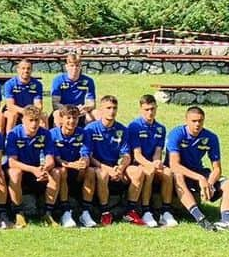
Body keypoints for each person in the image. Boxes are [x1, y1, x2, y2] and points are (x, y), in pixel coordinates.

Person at [166, 105, 229, 232]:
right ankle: (200, 218)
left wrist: (209, 184)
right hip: (180, 173)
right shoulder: (176, 134)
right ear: (186, 120)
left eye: (200, 121)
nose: (197, 124)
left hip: (198, 172)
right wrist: (199, 178)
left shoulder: (210, 137)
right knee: (178, 175)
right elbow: (174, 164)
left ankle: (226, 221)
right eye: (194, 121)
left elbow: (217, 168)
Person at [80, 95, 133, 226]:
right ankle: (105, 212)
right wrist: (107, 169)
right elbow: (89, 155)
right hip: (98, 166)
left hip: (116, 168)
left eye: (114, 108)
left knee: (137, 172)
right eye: (108, 108)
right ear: (101, 110)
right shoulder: (90, 129)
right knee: (102, 174)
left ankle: (132, 211)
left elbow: (126, 154)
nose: (112, 111)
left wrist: (120, 168)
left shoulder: (122, 129)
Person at [124, 94, 176, 228]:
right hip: (135, 164)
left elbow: (158, 151)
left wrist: (157, 162)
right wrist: (151, 165)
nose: (150, 112)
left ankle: (166, 211)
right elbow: (137, 155)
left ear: (156, 108)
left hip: (151, 162)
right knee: (149, 170)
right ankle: (146, 211)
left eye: (152, 109)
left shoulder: (160, 128)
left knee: (168, 173)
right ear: (141, 109)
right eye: (146, 109)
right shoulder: (134, 126)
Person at [4, 105, 58, 227]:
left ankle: (48, 213)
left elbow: (50, 159)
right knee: (14, 172)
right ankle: (19, 213)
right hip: (23, 170)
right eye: (31, 120)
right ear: (23, 120)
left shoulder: (45, 134)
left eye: (37, 120)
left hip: (38, 171)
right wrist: (34, 170)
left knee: (57, 173)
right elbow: (12, 162)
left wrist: (44, 169)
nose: (34, 124)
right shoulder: (14, 134)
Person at [49, 104, 97, 228]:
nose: (72, 121)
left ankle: (85, 212)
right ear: (61, 119)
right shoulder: (52, 134)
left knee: (90, 170)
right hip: (63, 170)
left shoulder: (84, 133)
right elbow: (57, 158)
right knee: (62, 170)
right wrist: (71, 165)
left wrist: (83, 162)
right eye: (68, 118)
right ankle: (65, 212)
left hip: (78, 171)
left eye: (75, 118)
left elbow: (85, 153)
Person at [50, 52, 96, 123]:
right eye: (72, 65)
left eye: (77, 65)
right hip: (64, 111)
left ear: (80, 66)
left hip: (81, 112)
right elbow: (55, 104)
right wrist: (69, 110)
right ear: (66, 66)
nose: (75, 68)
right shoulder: (58, 80)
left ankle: (92, 134)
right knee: (57, 114)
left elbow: (91, 103)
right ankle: (58, 133)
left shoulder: (88, 81)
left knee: (96, 113)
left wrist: (86, 107)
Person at [2, 59, 43, 134]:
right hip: (14, 110)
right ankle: (9, 139)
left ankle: (43, 140)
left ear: (31, 70)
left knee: (43, 116)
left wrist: (35, 112)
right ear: (18, 69)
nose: (26, 71)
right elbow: (10, 105)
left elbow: (38, 104)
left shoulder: (37, 84)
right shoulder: (10, 84)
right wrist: (25, 111)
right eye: (23, 68)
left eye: (28, 68)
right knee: (13, 115)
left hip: (30, 111)